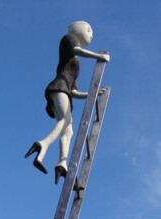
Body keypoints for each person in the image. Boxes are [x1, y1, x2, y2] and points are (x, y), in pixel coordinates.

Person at [25, 21, 110, 184]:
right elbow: (77, 50)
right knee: (65, 121)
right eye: (89, 30)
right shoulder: (68, 39)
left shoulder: (75, 64)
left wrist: (92, 94)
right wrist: (99, 57)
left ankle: (62, 163)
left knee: (68, 130)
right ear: (78, 30)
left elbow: (74, 92)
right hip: (58, 88)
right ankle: (42, 144)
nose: (92, 34)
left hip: (65, 91)